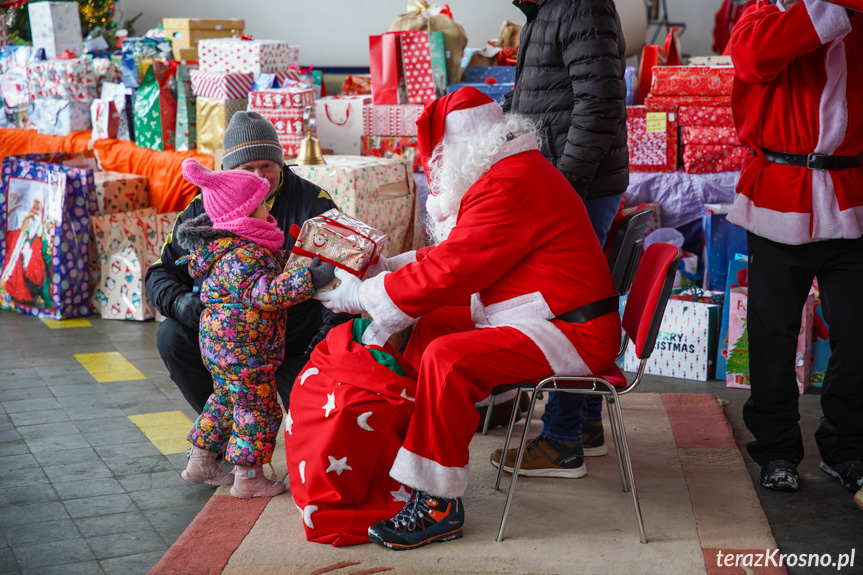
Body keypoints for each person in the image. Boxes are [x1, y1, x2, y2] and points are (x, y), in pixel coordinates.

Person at [315, 87, 622, 549]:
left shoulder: (505, 184)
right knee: (435, 322)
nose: (435, 170)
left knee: (448, 358)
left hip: (573, 330)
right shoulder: (509, 170)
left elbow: (455, 268)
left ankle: (438, 503)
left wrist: (363, 294)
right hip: (549, 310)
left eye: (437, 158)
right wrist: (392, 270)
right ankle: (408, 448)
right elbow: (458, 254)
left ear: (458, 150)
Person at [727, 0, 863, 493]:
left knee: (857, 334)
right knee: (771, 338)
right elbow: (752, 60)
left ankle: (847, 447)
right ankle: (777, 451)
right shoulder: (761, 16)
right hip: (779, 196)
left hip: (853, 199)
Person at [496, 0, 629, 470]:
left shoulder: (577, 5)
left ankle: (562, 438)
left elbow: (601, 102)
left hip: (578, 187)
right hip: (565, 183)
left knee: (569, 308)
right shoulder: (545, 10)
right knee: (577, 300)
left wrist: (565, 188)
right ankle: (584, 423)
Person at [145, 112, 352, 413]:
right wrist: (178, 303)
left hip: (294, 339)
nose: (260, 177)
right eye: (247, 168)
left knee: (318, 417)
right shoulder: (204, 206)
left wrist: (326, 335)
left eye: (267, 166)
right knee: (170, 336)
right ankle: (220, 431)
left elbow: (343, 267)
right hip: (227, 342)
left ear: (280, 164)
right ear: (229, 171)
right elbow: (161, 271)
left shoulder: (314, 203)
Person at [175, 159, 335, 497]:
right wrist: (308, 277)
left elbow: (263, 272)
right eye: (261, 204)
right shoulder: (244, 254)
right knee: (257, 407)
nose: (268, 208)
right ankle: (248, 477)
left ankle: (200, 461)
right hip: (246, 349)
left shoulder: (228, 247)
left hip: (222, 348)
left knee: (224, 399)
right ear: (243, 215)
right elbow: (265, 292)